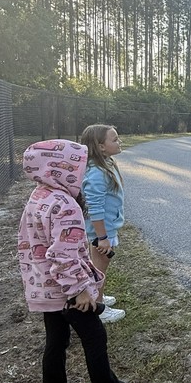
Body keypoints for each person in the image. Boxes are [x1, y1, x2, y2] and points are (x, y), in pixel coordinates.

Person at [17, 139, 149, 383]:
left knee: (56, 340)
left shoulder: (38, 196)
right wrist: (79, 292)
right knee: (95, 336)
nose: (79, 172)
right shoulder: (65, 205)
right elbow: (64, 255)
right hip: (67, 290)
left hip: (44, 286)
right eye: (75, 166)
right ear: (58, 169)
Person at [80, 123, 126, 324]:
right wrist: (102, 238)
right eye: (114, 139)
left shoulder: (105, 164)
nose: (119, 141)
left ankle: (98, 295)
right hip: (102, 231)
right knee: (99, 270)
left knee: (97, 267)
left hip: (105, 229)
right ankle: (99, 307)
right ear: (100, 146)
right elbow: (95, 207)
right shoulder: (97, 172)